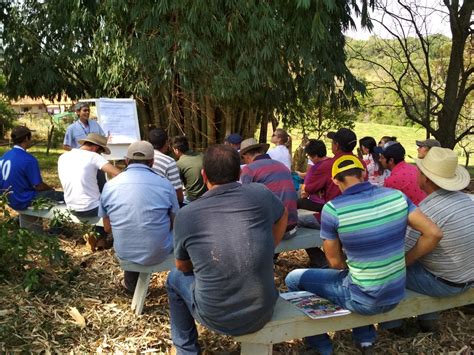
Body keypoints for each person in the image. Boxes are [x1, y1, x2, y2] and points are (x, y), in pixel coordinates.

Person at [285, 155, 442, 355]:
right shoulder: (397, 196)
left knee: (294, 279)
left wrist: (351, 265)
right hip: (396, 292)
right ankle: (365, 340)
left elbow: (334, 262)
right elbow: (434, 233)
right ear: (364, 174)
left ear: (335, 180)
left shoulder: (333, 210)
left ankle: (321, 345)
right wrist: (404, 261)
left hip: (364, 299)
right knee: (354, 277)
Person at [167, 144, 288, 354]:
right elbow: (283, 214)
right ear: (240, 172)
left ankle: (186, 349)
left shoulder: (187, 215)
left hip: (216, 316)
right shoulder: (260, 194)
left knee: (174, 278)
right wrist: (270, 246)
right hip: (263, 308)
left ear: (204, 175)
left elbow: (182, 266)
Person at [383, 147, 474, 334]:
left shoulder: (427, 210)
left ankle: (391, 324)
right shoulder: (466, 200)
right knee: (425, 261)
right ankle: (428, 320)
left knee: (387, 272)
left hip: (446, 282)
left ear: (425, 178)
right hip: (468, 276)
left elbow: (404, 253)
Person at [99, 141, 179, 293]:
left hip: (124, 251)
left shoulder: (110, 185)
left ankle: (130, 286)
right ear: (152, 162)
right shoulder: (165, 184)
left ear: (127, 160)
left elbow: (107, 227)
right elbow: (175, 222)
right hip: (158, 251)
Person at [240, 138, 298, 237]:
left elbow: (245, 202)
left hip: (272, 230)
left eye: (243, 158)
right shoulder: (282, 166)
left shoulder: (249, 169)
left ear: (247, 156)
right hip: (292, 226)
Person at [58, 133, 120, 219]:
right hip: (92, 208)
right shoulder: (94, 156)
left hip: (72, 207)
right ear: (96, 148)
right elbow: (118, 173)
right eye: (100, 152)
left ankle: (102, 231)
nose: (100, 154)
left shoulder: (63, 157)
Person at [0, 126, 63, 210]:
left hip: (8, 200)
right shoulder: (28, 159)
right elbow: (38, 186)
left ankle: (20, 220)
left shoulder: (3, 157)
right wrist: (51, 189)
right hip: (24, 200)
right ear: (26, 138)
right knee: (62, 196)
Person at [377, 141, 426, 205]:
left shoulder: (391, 181)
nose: (379, 160)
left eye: (382, 158)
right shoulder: (415, 168)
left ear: (391, 160)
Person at [148, 128, 184, 205]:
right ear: (166, 143)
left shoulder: (142, 159)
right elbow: (178, 195)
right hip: (161, 204)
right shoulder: (169, 162)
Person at [171, 135, 207, 203]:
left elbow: (177, 187)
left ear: (176, 150)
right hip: (207, 194)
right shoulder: (202, 155)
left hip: (193, 199)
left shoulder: (179, 164)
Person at [297, 139, 329, 211]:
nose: (310, 159)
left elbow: (305, 191)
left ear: (315, 156)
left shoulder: (315, 168)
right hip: (332, 202)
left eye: (309, 156)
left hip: (319, 204)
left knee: (297, 202)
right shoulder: (333, 162)